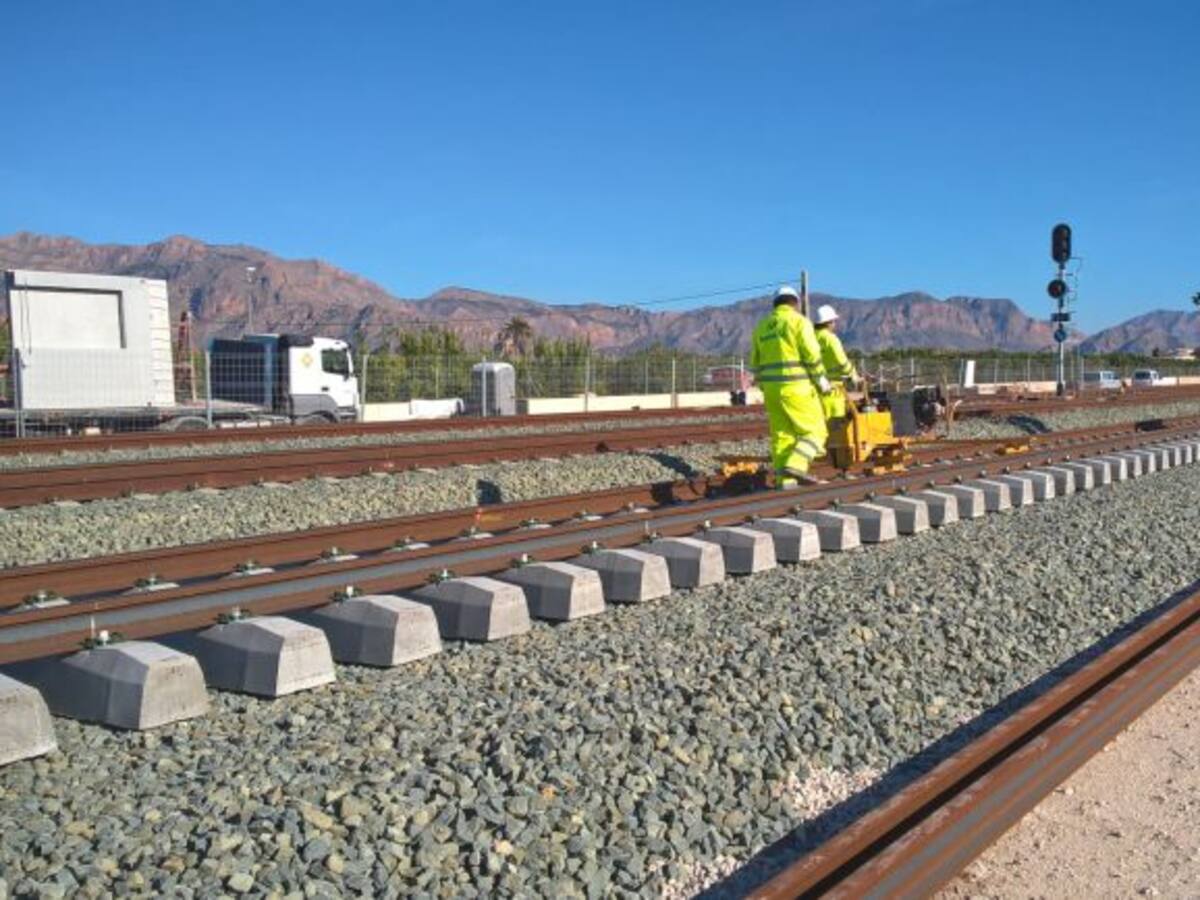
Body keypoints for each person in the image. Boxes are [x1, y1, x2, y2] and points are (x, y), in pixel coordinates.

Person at [750, 286, 832, 487]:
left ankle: (785, 482)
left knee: (783, 437)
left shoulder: (761, 327)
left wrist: (765, 387)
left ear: (775, 304)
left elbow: (755, 364)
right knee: (815, 432)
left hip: (772, 393)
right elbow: (811, 355)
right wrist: (821, 379)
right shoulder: (799, 322)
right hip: (797, 388)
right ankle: (796, 465)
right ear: (795, 304)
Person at [813, 304, 860, 421]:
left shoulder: (811, 337)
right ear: (828, 322)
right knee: (836, 427)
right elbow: (842, 361)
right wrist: (853, 374)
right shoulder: (830, 339)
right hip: (833, 390)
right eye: (834, 321)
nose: (835, 324)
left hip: (816, 390)